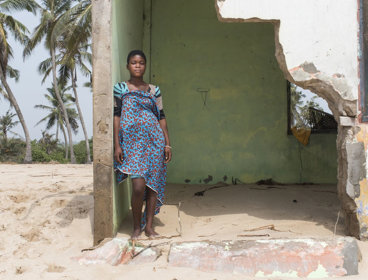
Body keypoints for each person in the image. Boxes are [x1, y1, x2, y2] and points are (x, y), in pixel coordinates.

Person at [113, 50, 172, 240]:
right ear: (127, 66)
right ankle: (136, 228)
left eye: (141, 63)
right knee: (138, 187)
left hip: (155, 142)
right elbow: (117, 116)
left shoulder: (154, 90)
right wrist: (117, 145)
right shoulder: (120, 88)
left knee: (152, 187)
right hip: (132, 145)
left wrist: (167, 144)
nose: (137, 66)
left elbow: (161, 117)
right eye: (133, 62)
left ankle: (149, 227)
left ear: (145, 65)